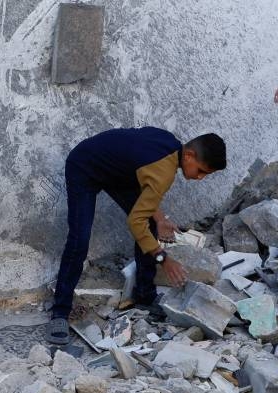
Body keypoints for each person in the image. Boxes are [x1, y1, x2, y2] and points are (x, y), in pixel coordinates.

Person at [45, 128, 227, 345]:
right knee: (79, 240)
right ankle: (60, 312)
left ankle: (145, 294)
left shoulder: (170, 145)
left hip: (117, 173)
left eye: (205, 175)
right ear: (189, 156)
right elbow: (135, 221)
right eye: (201, 171)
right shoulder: (163, 171)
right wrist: (163, 259)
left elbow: (144, 189)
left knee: (150, 222)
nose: (200, 178)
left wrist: (159, 218)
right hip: (84, 166)